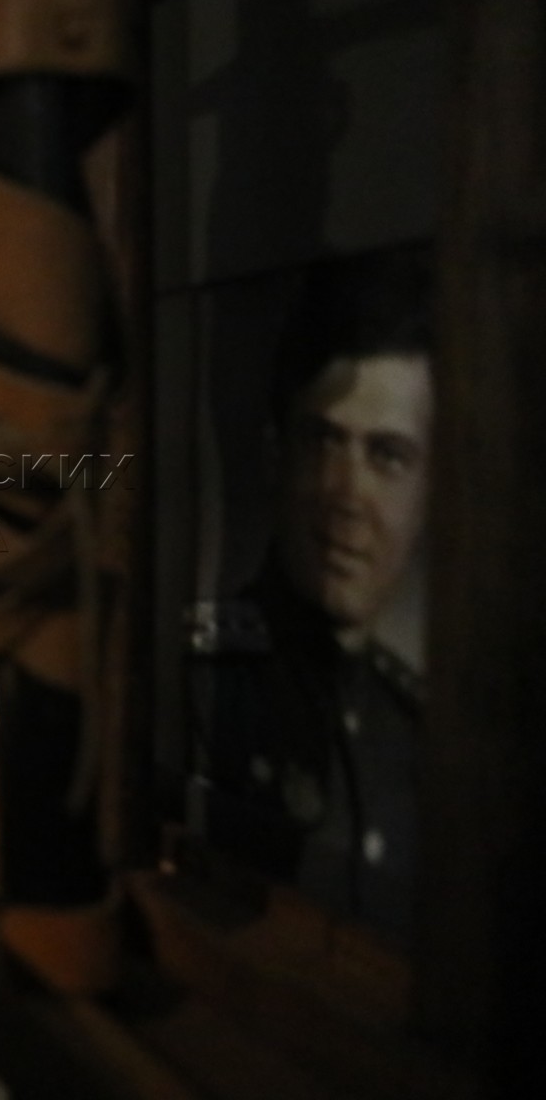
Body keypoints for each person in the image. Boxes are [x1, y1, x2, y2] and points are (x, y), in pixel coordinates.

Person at [194, 245, 431, 946]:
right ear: (277, 456)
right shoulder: (201, 681)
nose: (347, 498)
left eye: (388, 456)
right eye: (324, 443)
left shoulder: (415, 731)